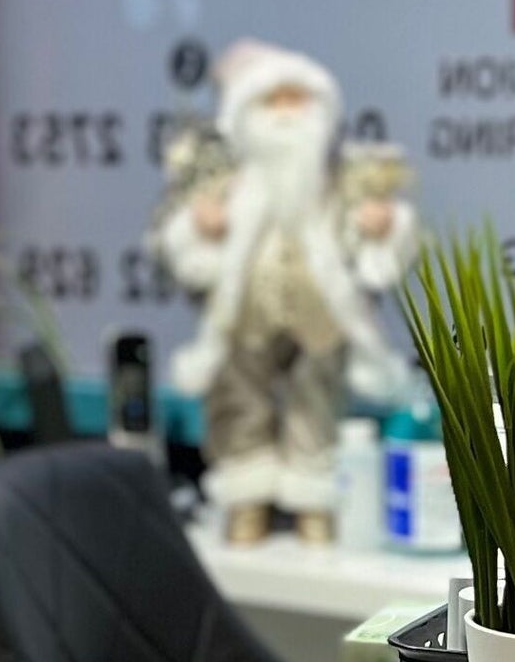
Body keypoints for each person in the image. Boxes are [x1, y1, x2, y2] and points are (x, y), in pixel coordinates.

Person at [150, 42, 416, 544]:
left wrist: (382, 227)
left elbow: (378, 247)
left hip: (321, 316)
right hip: (246, 315)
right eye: (275, 102)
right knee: (239, 398)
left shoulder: (338, 182)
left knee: (316, 402)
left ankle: (313, 500)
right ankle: (246, 497)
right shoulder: (228, 183)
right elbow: (181, 240)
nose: (287, 115)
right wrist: (201, 227)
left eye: (298, 102)